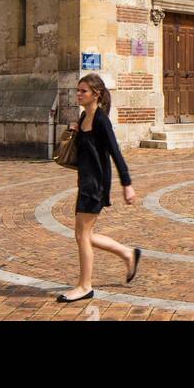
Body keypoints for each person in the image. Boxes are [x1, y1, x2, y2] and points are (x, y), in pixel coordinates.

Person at [57, 73, 141, 302]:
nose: (78, 94)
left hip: (95, 185)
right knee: (83, 235)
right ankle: (127, 253)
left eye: (83, 91)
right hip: (85, 182)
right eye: (77, 90)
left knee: (82, 235)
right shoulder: (85, 116)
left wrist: (127, 185)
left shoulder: (101, 120)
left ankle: (85, 286)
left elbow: (116, 153)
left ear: (96, 94)